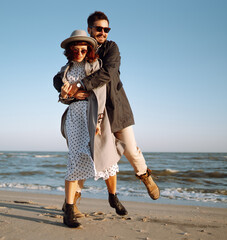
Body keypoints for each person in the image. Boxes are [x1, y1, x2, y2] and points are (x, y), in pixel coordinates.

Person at [53, 11, 160, 208]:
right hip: (91, 112)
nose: (103, 32)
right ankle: (73, 201)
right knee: (85, 153)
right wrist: (66, 88)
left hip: (115, 108)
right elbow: (62, 74)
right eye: (99, 29)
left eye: (106, 29)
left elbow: (108, 72)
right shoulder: (83, 49)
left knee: (130, 149)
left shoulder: (111, 48)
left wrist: (81, 86)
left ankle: (144, 175)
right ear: (90, 29)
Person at [57, 30, 127, 228]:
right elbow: (63, 97)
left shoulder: (95, 65)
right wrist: (69, 96)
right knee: (75, 159)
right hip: (75, 119)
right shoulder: (66, 70)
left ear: (89, 50)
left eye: (83, 49)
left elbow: (101, 94)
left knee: (108, 157)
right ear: (70, 51)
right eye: (76, 50)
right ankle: (69, 211)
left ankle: (113, 196)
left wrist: (98, 121)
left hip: (95, 117)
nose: (79, 53)